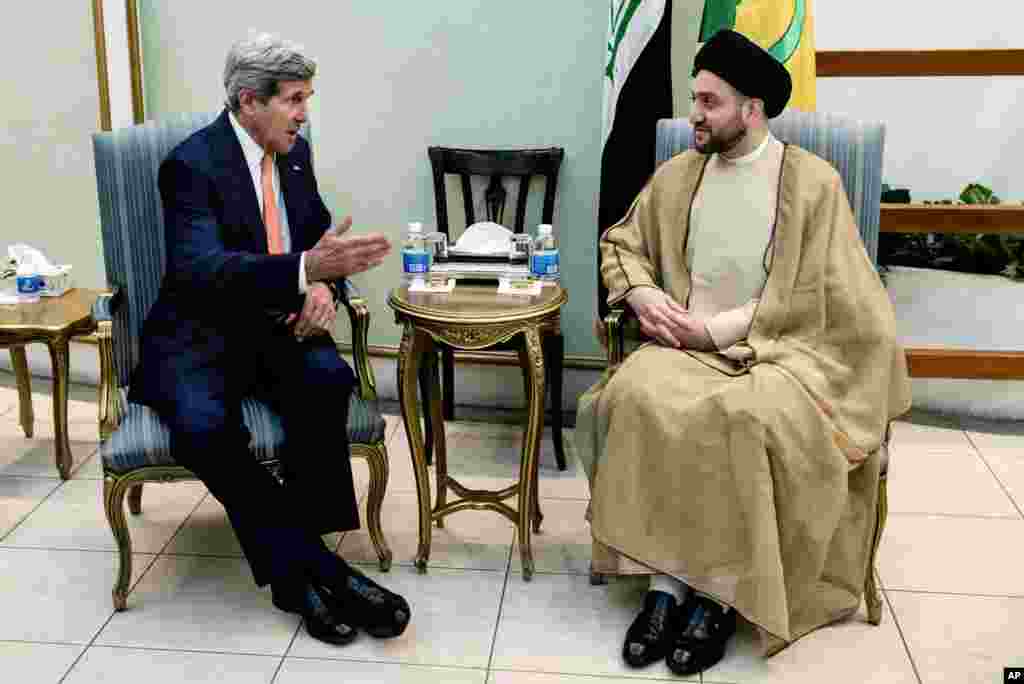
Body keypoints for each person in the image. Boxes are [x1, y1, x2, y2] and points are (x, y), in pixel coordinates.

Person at [576, 29, 911, 676]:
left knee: (742, 417)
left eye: (710, 102)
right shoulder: (680, 174)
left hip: (785, 353)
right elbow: (623, 244)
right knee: (633, 394)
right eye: (694, 100)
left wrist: (717, 332)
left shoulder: (813, 184)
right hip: (682, 346)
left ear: (751, 109)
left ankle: (720, 596)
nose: (694, 115)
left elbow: (829, 297)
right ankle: (664, 585)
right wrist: (642, 294)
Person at [129, 33, 407, 646]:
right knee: (203, 428)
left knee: (326, 380)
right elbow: (201, 269)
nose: (305, 114)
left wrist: (322, 288)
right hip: (198, 334)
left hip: (278, 327)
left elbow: (315, 242)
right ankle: (314, 572)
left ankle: (297, 568)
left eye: (307, 98)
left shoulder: (295, 154)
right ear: (250, 101)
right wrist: (307, 271)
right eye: (295, 100)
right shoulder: (190, 165)